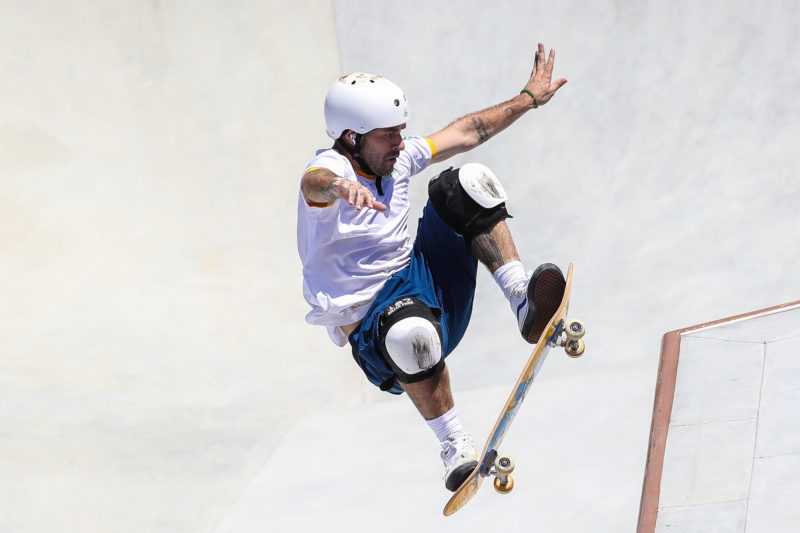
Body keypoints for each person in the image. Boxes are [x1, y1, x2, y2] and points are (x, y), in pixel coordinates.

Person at [297, 43, 568, 492]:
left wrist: (529, 97)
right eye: (388, 135)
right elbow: (314, 184)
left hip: (426, 284)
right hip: (377, 332)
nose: (399, 143)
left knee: (465, 182)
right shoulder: (330, 167)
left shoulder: (397, 157)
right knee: (409, 332)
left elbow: (468, 131)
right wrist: (342, 187)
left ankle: (523, 302)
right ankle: (455, 445)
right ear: (351, 138)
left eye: (400, 131)